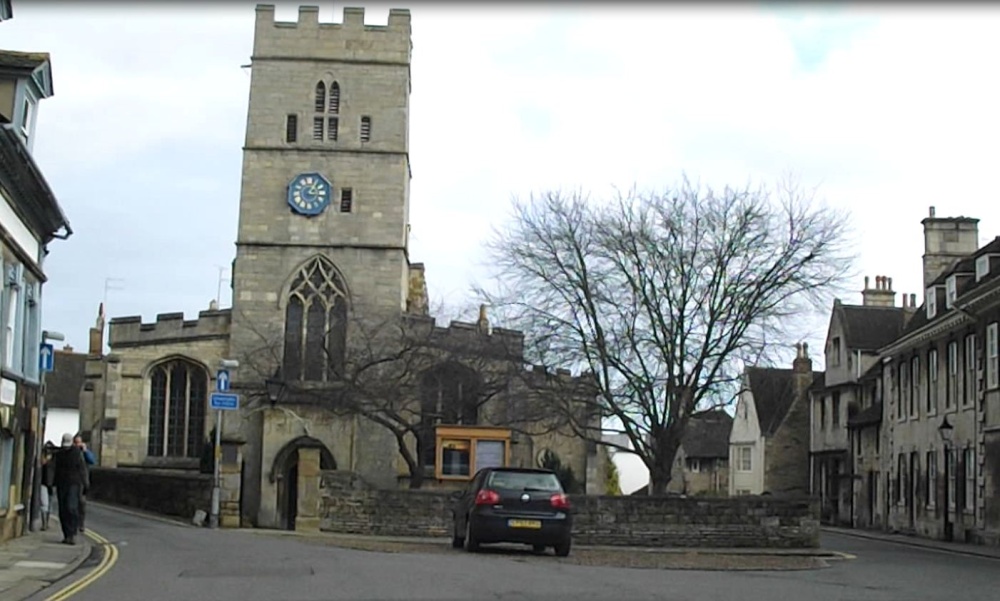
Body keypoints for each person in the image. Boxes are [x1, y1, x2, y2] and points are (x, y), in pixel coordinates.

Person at [53, 433, 88, 545]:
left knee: (71, 507)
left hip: (74, 484)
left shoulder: (77, 453)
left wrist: (85, 484)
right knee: (63, 510)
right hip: (61, 484)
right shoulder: (59, 454)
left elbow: (83, 469)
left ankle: (72, 533)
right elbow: (54, 469)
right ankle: (67, 535)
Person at [73, 435, 95, 533]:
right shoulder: (72, 452)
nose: (78, 445)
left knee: (81, 504)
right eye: (76, 442)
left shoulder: (85, 453)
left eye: (79, 442)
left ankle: (81, 524)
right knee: (73, 504)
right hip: (73, 482)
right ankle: (74, 523)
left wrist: (85, 451)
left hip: (82, 482)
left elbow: (92, 461)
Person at [40, 442, 57, 531]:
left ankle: (46, 522)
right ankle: (44, 524)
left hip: (52, 484)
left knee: (49, 505)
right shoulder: (42, 460)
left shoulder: (55, 460)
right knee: (44, 504)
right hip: (43, 483)